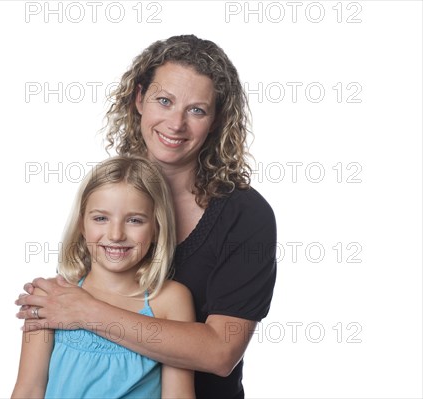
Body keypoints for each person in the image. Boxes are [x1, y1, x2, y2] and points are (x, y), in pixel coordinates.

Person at [15, 34, 277, 398]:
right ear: (139, 99)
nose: (176, 123)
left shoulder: (246, 216)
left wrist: (86, 311)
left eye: (197, 110)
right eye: (164, 101)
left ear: (216, 120)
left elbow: (221, 352)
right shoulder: (112, 190)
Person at [11, 156, 196, 398]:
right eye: (100, 218)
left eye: (134, 220)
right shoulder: (50, 296)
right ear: (81, 225)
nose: (116, 234)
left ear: (156, 228)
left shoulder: (170, 300)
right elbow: (29, 389)